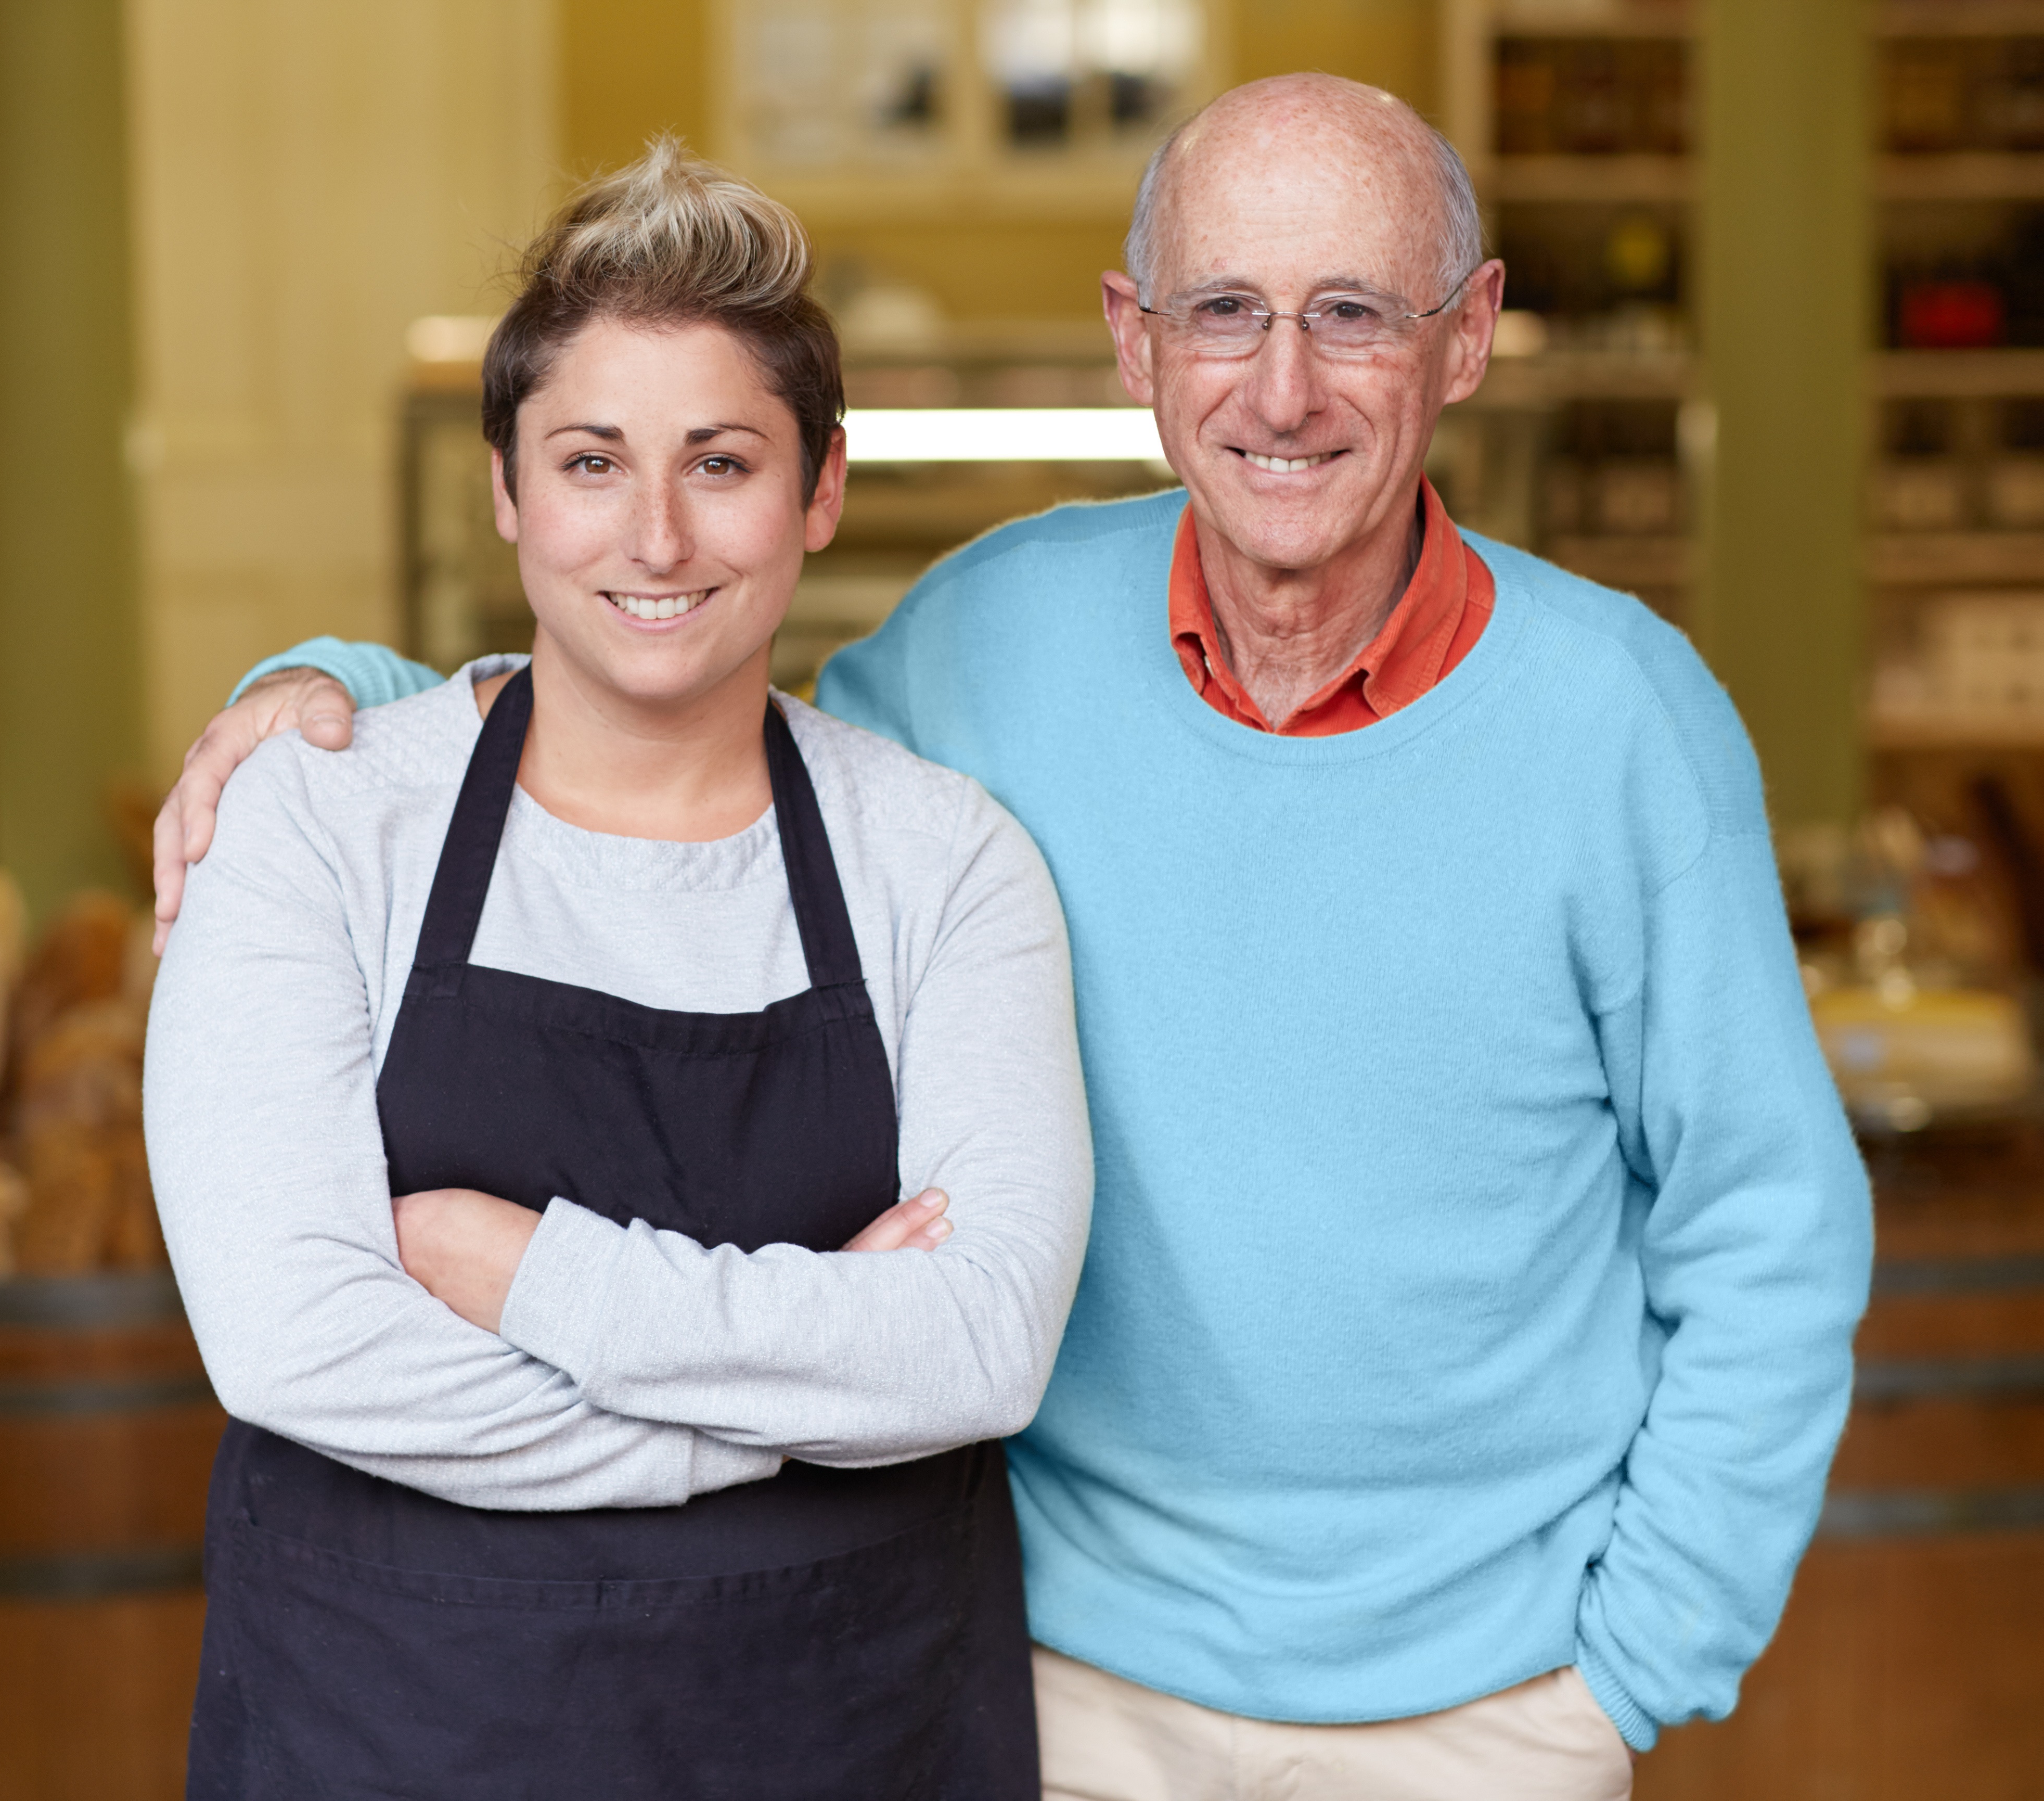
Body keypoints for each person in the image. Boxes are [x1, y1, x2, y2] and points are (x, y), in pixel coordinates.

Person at [156, 78, 1871, 1801]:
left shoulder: (1627, 724)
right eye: (1222, 311)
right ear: (1137, 342)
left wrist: (1638, 1663)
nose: (1282, 389)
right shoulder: (996, 639)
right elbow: (677, 723)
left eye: (1353, 314)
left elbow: (1767, 1228)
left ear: (1469, 336)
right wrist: (338, 710)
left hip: (1489, 1701)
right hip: (1056, 1673)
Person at [142, 142, 1090, 1800]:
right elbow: (294, 1343)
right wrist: (786, 1412)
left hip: (848, 1726)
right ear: (506, 491)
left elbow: (983, 1346)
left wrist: (528, 1279)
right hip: (394, 1728)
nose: (655, 536)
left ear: (823, 492)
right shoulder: (316, 824)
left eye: (722, 462)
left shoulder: (948, 864)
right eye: (592, 461)